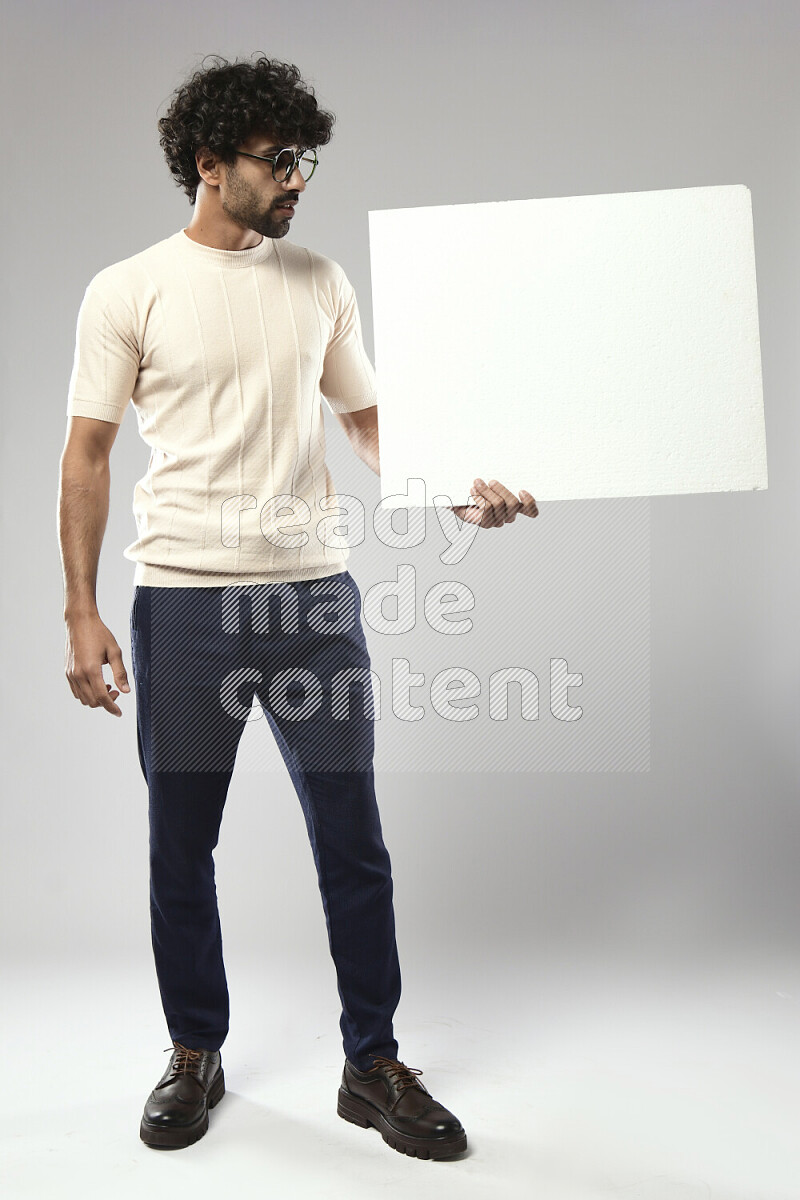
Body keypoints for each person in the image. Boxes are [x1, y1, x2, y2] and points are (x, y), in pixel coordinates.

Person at [57, 52, 539, 1159]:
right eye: (280, 161)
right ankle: (195, 1051)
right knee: (181, 846)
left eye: (304, 158)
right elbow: (87, 456)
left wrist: (453, 488)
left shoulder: (319, 279)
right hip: (180, 605)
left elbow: (367, 425)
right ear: (208, 162)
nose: (298, 180)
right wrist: (79, 611)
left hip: (312, 601)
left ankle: (370, 1062)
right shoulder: (126, 289)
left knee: (352, 840)